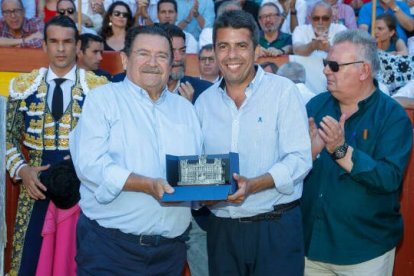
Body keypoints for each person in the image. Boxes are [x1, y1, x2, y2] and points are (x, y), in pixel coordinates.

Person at [69, 25, 202, 275]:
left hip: (170, 255)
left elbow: (192, 171)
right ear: (124, 59)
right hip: (109, 251)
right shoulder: (102, 100)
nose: (153, 63)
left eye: (162, 56)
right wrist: (145, 184)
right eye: (143, 53)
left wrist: (209, 191)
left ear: (171, 63)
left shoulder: (186, 110)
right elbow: (90, 165)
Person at [195, 10, 312, 275]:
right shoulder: (203, 103)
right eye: (223, 46)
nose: (232, 55)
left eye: (241, 46)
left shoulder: (283, 92)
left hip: (276, 229)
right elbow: (198, 167)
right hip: (222, 231)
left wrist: (254, 185)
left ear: (256, 50)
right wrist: (201, 195)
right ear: (214, 51)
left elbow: (299, 159)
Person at [303, 29, 412, 275]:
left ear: (363, 71)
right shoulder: (315, 106)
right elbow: (290, 170)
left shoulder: (392, 117)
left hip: (364, 251)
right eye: (325, 63)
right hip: (311, 246)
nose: (325, 70)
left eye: (334, 65)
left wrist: (341, 151)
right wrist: (307, 155)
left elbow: (389, 178)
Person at [5, 15, 108, 276]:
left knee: (80, 261)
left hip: (84, 190)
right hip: (35, 188)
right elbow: (8, 136)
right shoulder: (23, 87)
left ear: (77, 47)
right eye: (54, 42)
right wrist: (23, 171)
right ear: (44, 45)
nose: (60, 49)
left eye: (67, 42)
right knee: (30, 259)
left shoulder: (99, 88)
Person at [161, 23, 212, 103]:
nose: (179, 58)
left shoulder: (206, 91)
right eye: (172, 51)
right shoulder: (142, 92)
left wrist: (189, 108)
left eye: (183, 51)